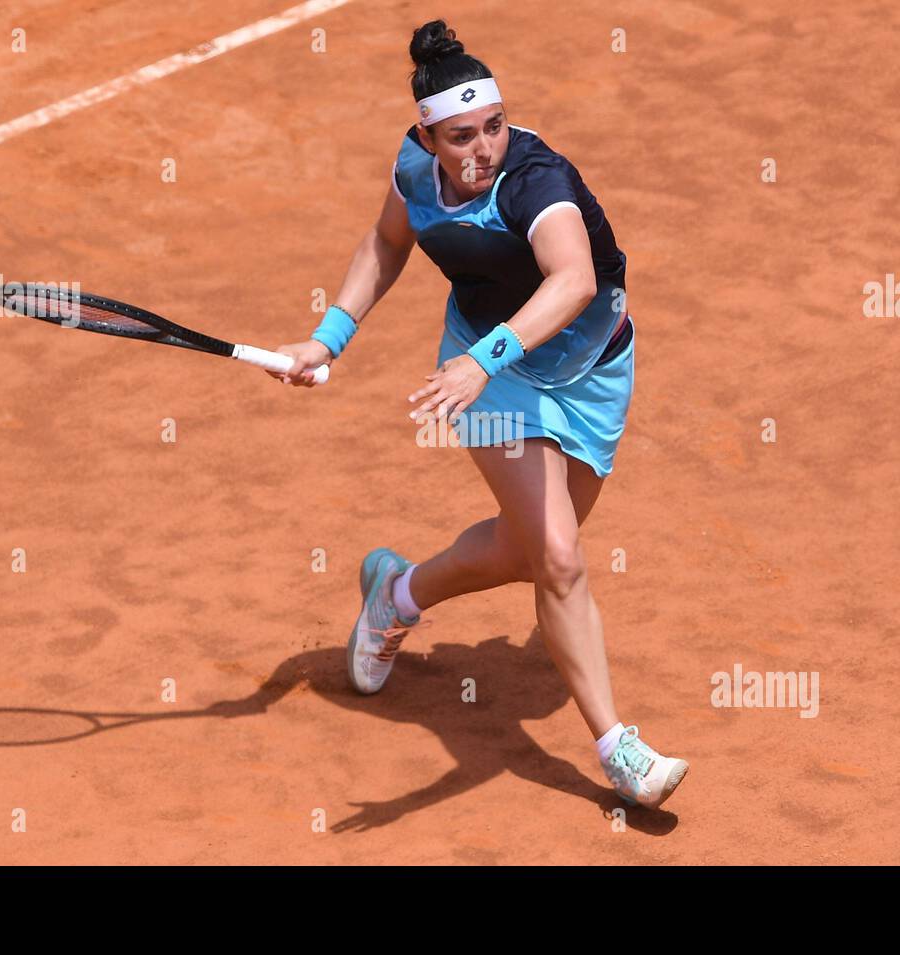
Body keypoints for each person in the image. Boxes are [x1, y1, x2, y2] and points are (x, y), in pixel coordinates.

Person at [271, 20, 688, 809]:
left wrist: (480, 359)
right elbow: (388, 242)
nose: (482, 149)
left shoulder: (537, 182)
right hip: (490, 380)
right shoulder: (414, 172)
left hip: (586, 373)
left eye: (494, 127)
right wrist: (330, 339)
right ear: (427, 136)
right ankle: (619, 750)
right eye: (460, 136)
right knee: (560, 557)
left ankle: (397, 593)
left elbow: (571, 281)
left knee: (530, 554)